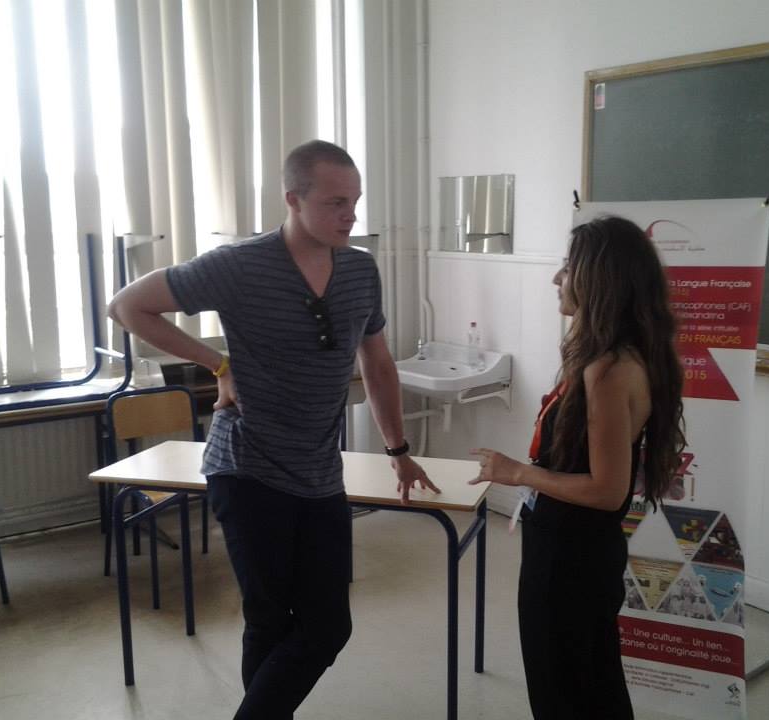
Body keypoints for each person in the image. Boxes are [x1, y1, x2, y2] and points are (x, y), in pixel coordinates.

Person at [107, 139, 438, 719]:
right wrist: (218, 364)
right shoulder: (239, 265)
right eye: (335, 202)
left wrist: (399, 448)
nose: (350, 215)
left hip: (319, 473)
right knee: (268, 620)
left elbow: (378, 363)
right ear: (293, 199)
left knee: (328, 625)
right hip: (247, 468)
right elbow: (128, 306)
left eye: (355, 201)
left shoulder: (360, 269)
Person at [470, 215, 686, 719]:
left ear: (598, 279)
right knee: (589, 683)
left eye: (567, 268)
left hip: (571, 558)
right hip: (572, 549)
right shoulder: (609, 356)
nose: (556, 278)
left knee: (565, 692)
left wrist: (516, 472)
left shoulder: (609, 370)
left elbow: (607, 491)